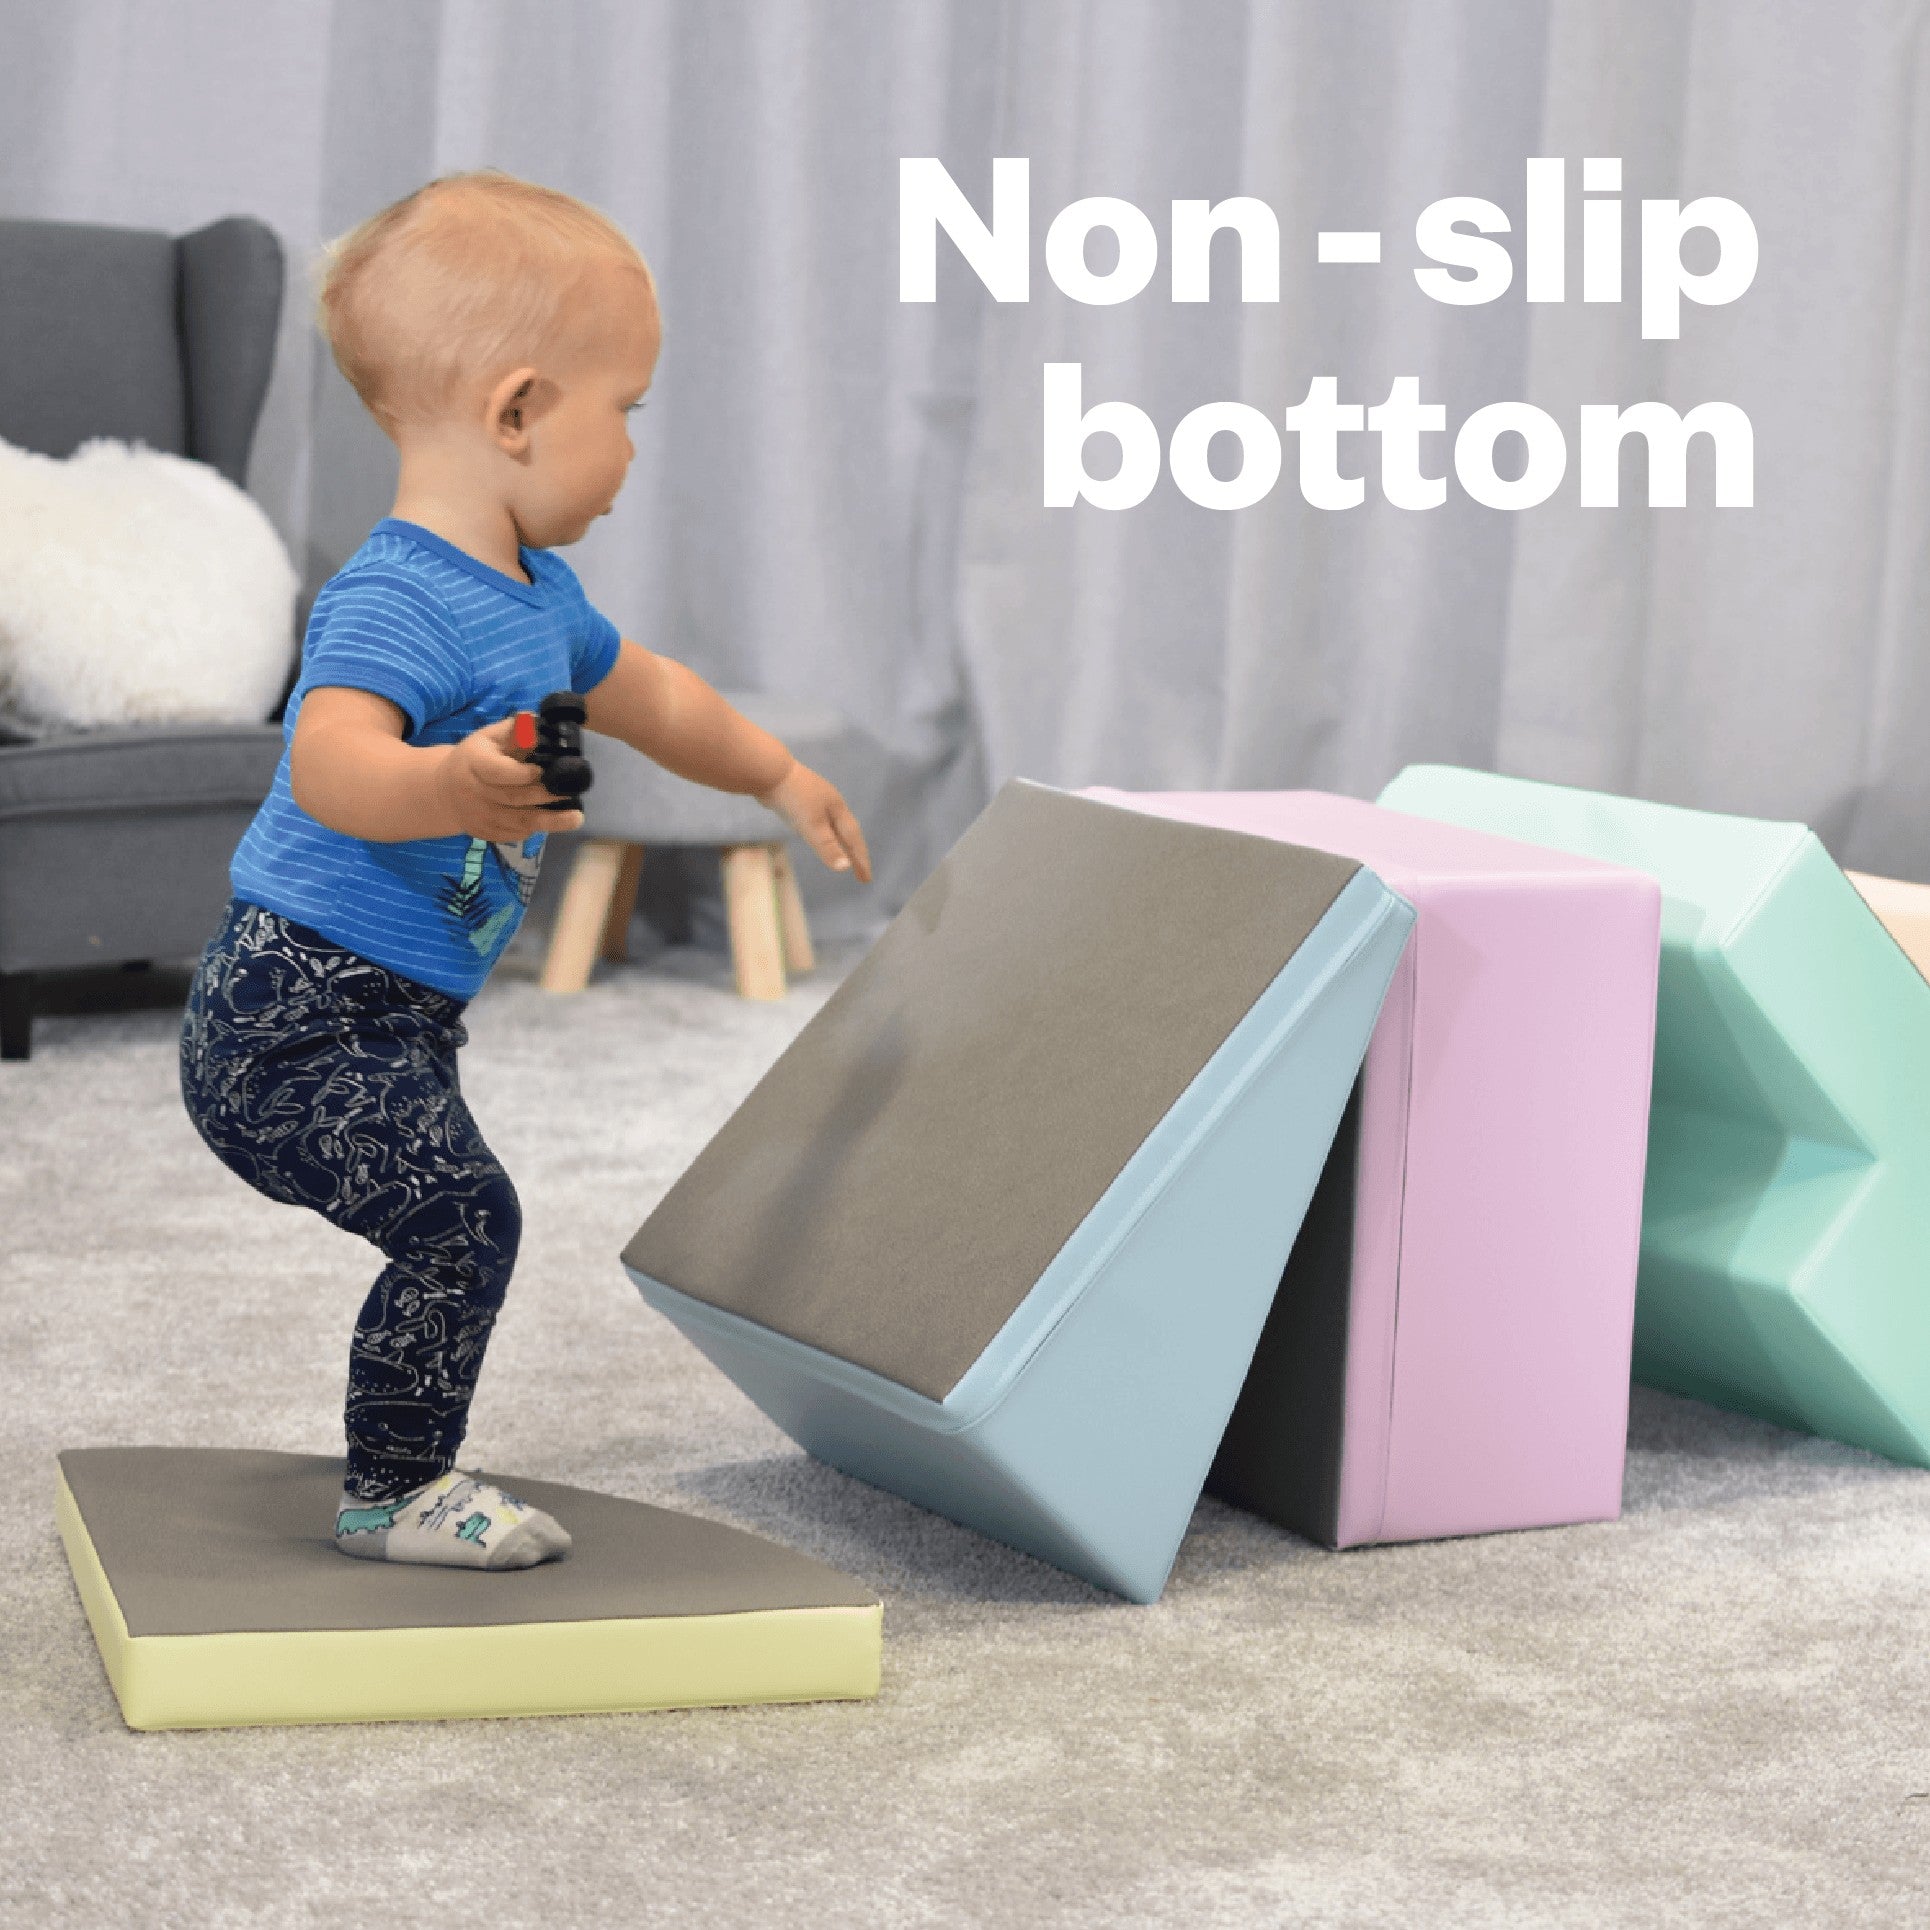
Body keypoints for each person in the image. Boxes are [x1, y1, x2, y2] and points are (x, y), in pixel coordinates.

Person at [179, 171, 869, 1571]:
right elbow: (325, 763)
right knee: (461, 1216)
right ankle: (395, 1492)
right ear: (514, 412)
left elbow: (660, 698)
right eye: (624, 411)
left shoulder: (538, 599)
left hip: (404, 1016)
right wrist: (448, 781)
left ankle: (402, 1472)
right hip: (288, 1018)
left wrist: (776, 774)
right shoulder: (392, 595)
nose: (628, 450)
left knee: (450, 1215)